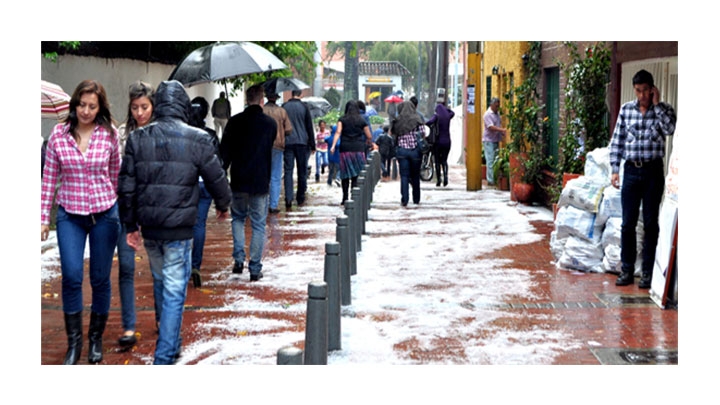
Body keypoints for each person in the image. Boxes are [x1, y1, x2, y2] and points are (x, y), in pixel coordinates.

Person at [118, 80, 231, 365]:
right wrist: (224, 204)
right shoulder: (198, 138)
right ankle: (165, 356)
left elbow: (127, 186)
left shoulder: (138, 138)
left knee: (161, 281)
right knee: (174, 289)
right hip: (180, 228)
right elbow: (216, 176)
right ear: (183, 105)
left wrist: (130, 226)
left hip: (151, 227)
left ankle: (172, 340)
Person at [40, 79, 121, 364]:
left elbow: (115, 174)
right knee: (72, 276)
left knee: (100, 278)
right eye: (81, 104)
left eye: (92, 106)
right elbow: (49, 178)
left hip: (104, 216)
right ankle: (74, 344)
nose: (85, 111)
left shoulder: (109, 134)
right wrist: (42, 218)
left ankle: (95, 339)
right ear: (74, 104)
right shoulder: (59, 135)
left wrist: (115, 207)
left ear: (99, 107)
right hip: (69, 216)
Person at [609, 69, 676, 288]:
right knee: (627, 223)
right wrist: (614, 168)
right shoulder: (626, 110)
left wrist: (657, 105)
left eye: (645, 90)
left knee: (650, 223)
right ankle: (626, 269)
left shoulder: (664, 110)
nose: (641, 95)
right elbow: (617, 140)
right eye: (638, 91)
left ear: (653, 89)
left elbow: (670, 129)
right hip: (631, 170)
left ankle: (648, 272)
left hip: (653, 172)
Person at [220, 84, 277, 281]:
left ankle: (238, 259)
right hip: (260, 179)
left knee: (237, 218)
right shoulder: (270, 124)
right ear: (262, 100)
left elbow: (224, 153)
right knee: (259, 223)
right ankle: (254, 267)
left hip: (239, 178)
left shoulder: (234, 122)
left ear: (246, 99)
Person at [115, 81, 155, 349]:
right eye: (135, 107)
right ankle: (129, 326)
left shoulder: (160, 131)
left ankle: (164, 318)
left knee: (159, 268)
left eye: (144, 107)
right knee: (126, 267)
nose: (140, 112)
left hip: (155, 207)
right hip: (125, 206)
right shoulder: (122, 134)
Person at [188, 96, 221, 288]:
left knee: (184, 224)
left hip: (187, 184)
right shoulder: (209, 135)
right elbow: (217, 163)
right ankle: (195, 265)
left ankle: (183, 265)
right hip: (205, 184)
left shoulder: (183, 134)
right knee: (199, 224)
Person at [330, 100, 373, 205]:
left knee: (345, 174)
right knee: (356, 173)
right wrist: (368, 142)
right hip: (358, 149)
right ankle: (354, 196)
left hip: (345, 149)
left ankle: (345, 197)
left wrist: (333, 146)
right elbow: (369, 136)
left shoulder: (342, 120)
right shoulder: (362, 120)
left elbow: (338, 132)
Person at [282, 90, 316, 210]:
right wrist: (313, 144)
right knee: (302, 170)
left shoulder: (284, 106)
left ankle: (288, 198)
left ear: (291, 94)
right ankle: (300, 197)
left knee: (288, 170)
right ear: (300, 94)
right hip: (302, 143)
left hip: (288, 142)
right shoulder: (304, 107)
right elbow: (309, 126)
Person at [390, 101, 425, 206]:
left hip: (402, 152)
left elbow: (393, 133)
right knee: (415, 176)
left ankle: (404, 199)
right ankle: (416, 199)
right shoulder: (417, 119)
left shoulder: (397, 121)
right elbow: (423, 132)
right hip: (415, 152)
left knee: (404, 176)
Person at [263, 92, 293, 214]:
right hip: (278, 146)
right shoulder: (282, 111)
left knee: (264, 175)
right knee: (275, 176)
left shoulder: (262, 110)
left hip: (262, 146)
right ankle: (273, 205)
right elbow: (289, 129)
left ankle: (262, 204)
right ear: (276, 98)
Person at [426, 96, 455, 187]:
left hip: (438, 142)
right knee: (444, 160)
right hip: (447, 142)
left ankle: (439, 180)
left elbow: (429, 122)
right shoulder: (448, 116)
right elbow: (452, 112)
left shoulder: (436, 116)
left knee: (437, 161)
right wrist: (445, 109)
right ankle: (446, 177)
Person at [483, 97, 507, 186]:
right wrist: (502, 130)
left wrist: (501, 133)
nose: (497, 108)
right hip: (489, 140)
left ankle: (494, 178)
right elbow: (490, 127)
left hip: (495, 139)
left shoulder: (497, 114)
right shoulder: (487, 114)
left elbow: (498, 125)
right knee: (490, 160)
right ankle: (490, 180)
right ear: (491, 105)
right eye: (496, 106)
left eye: (498, 106)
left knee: (495, 161)